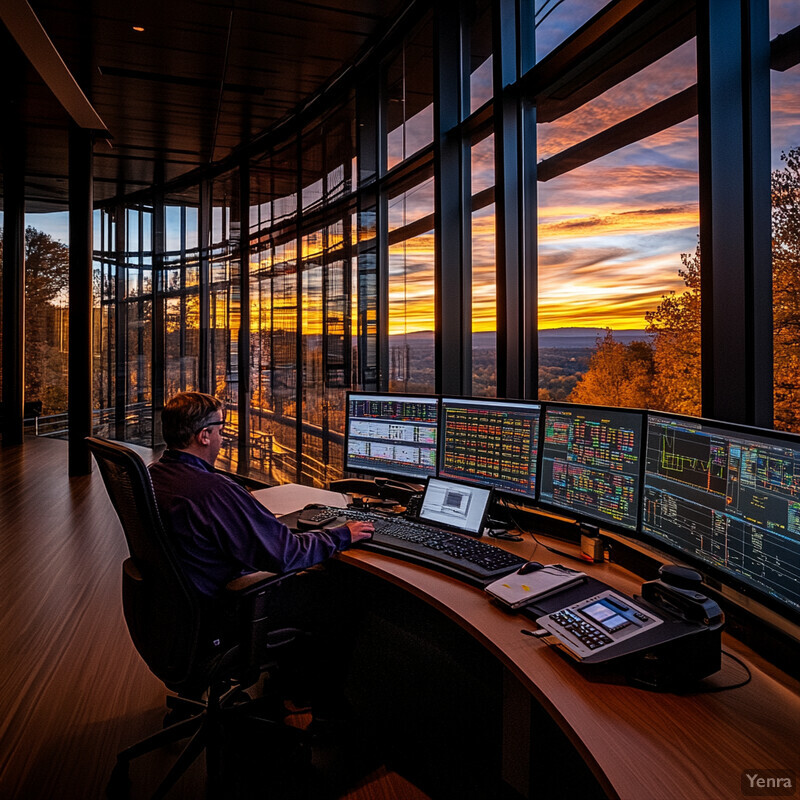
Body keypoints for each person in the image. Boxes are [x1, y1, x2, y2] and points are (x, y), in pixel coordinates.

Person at [149, 391, 373, 597]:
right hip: (230, 602)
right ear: (205, 435)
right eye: (221, 429)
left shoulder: (155, 474)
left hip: (183, 598)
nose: (223, 438)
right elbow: (286, 554)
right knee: (341, 588)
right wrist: (343, 534)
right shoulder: (211, 491)